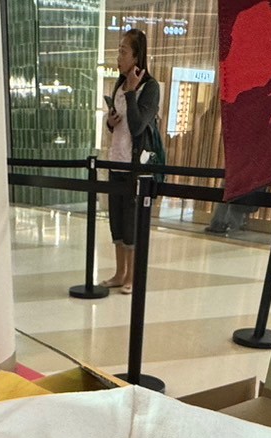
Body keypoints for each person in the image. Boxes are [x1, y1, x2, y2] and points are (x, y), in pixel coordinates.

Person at [103, 29, 160, 294]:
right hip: (116, 161)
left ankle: (132, 277)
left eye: (124, 51)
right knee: (116, 221)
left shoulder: (150, 87)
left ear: (137, 56)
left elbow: (138, 127)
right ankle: (119, 273)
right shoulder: (118, 83)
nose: (119, 56)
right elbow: (120, 125)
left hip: (136, 167)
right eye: (119, 51)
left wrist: (131, 93)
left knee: (132, 224)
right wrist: (110, 122)